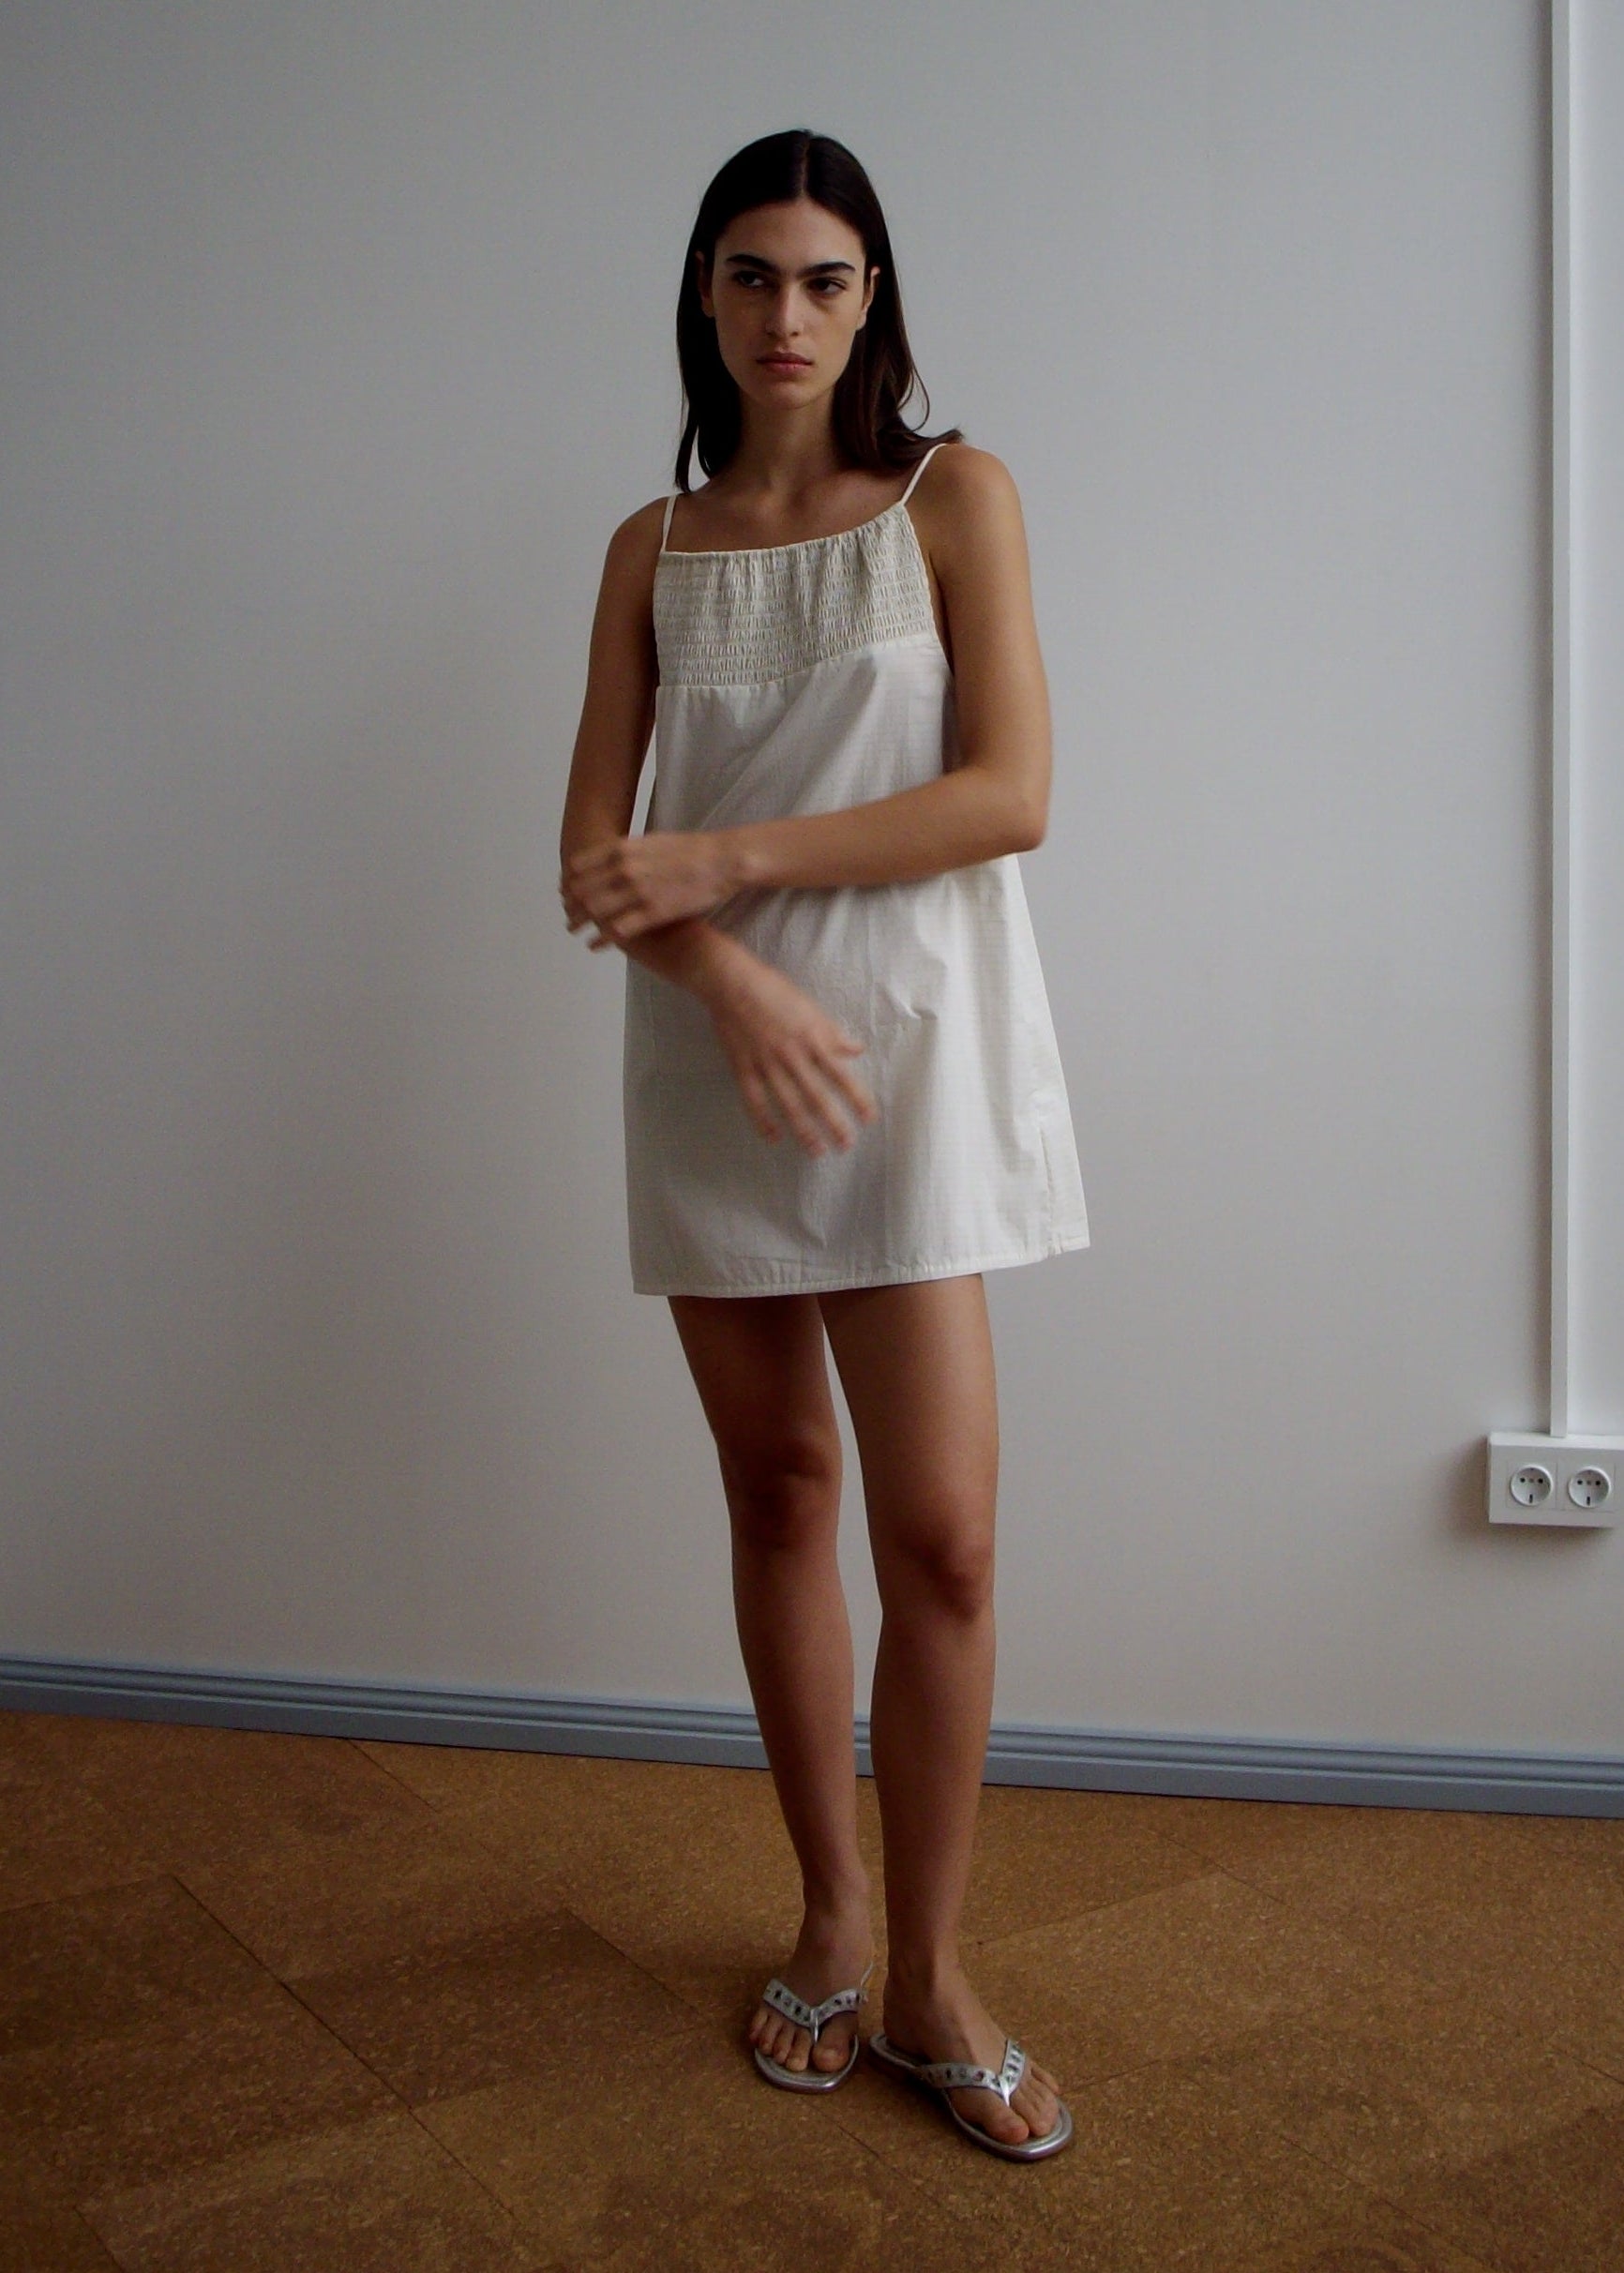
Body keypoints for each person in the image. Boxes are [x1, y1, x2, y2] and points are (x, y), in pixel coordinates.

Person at [558, 128, 1089, 2161]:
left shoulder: (957, 498)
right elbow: (595, 863)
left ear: (874, 302)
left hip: (910, 1065)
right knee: (778, 1492)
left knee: (942, 1539)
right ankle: (833, 1920)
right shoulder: (649, 547)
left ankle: (935, 1976)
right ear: (703, 296)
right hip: (720, 1064)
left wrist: (732, 862)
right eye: (751, 274)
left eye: (826, 278)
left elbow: (1008, 793)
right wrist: (729, 969)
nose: (788, 313)